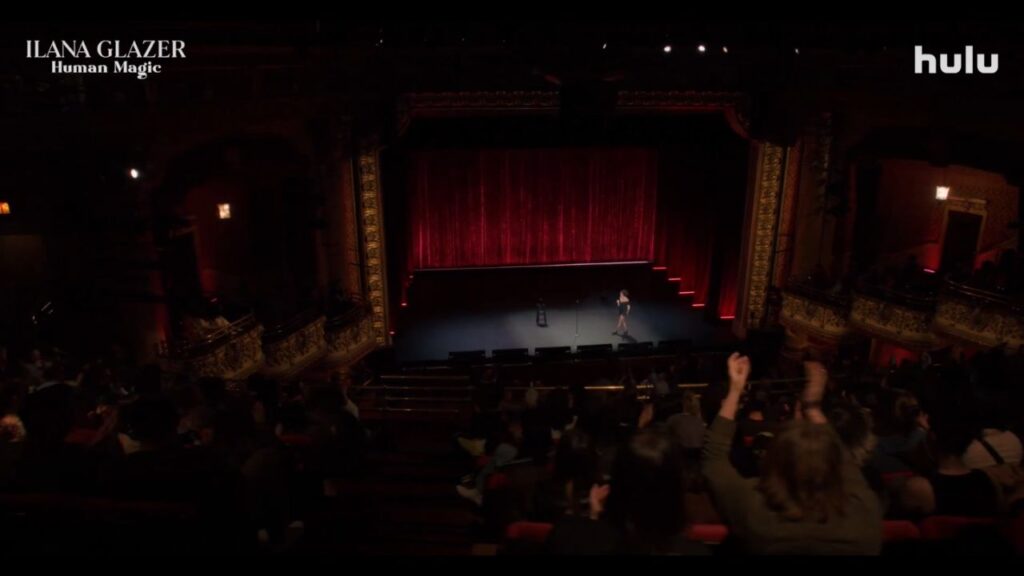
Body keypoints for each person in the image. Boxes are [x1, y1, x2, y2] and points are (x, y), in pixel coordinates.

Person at [702, 354, 882, 555]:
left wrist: (735, 390)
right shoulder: (864, 512)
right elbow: (845, 464)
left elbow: (714, 459)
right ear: (834, 464)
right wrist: (812, 406)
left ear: (774, 461)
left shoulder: (755, 509)